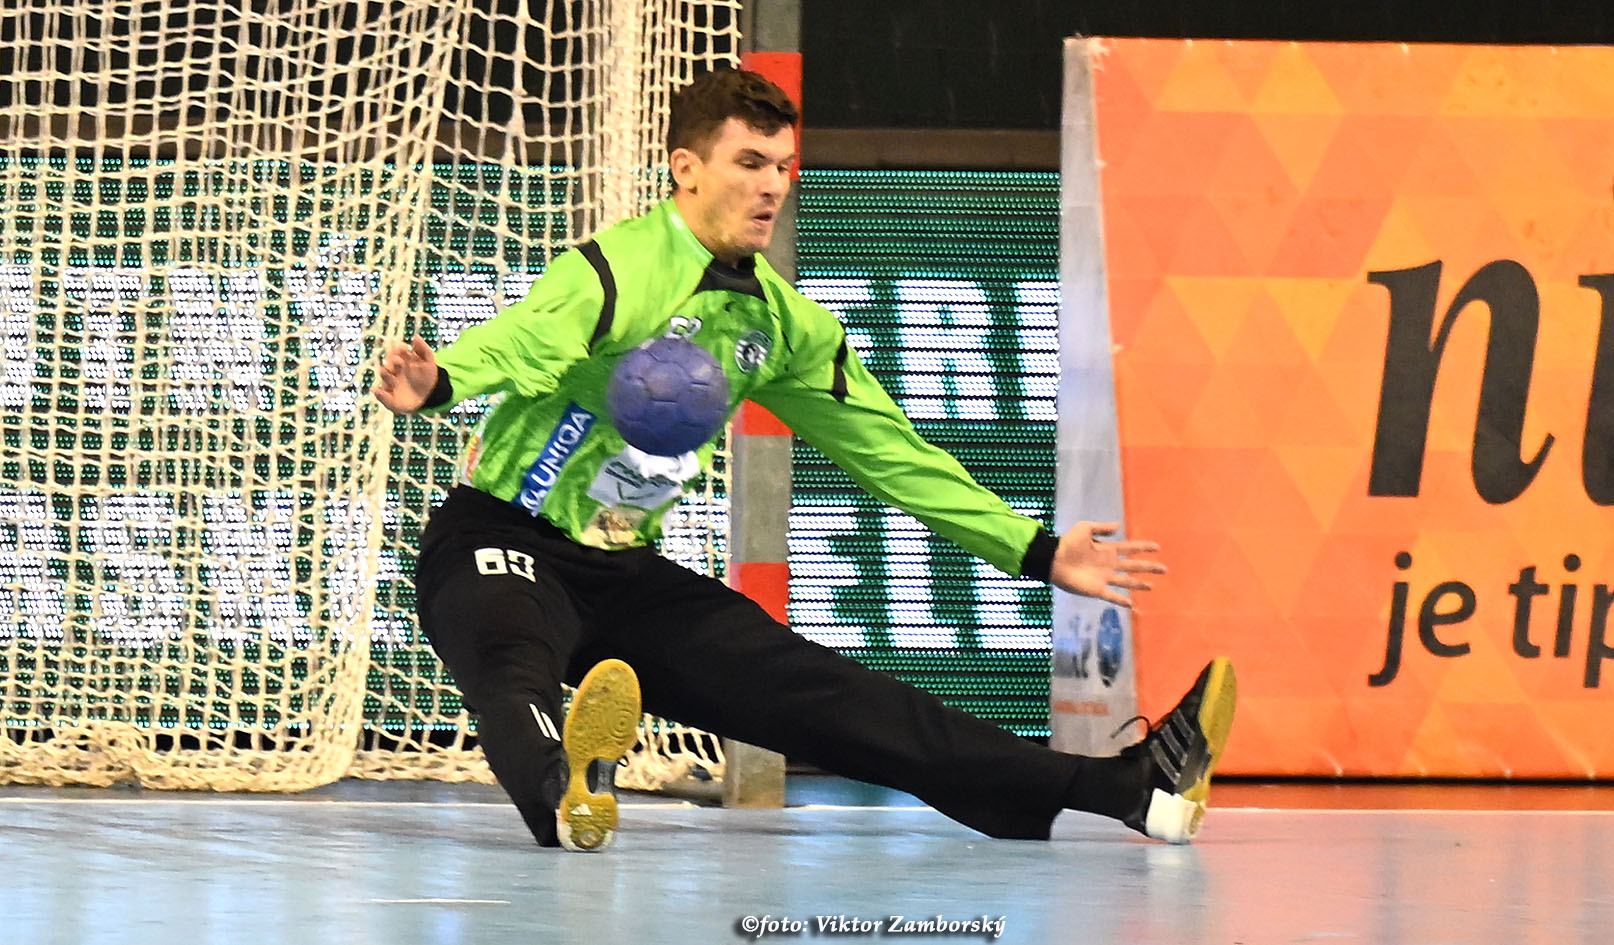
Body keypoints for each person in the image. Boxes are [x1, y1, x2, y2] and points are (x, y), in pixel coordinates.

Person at [372, 68, 1236, 852]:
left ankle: (1127, 788)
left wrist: (1038, 549)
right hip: (502, 539)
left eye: (784, 166)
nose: (772, 185)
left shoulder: (783, 325)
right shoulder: (615, 272)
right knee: (510, 665)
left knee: (837, 699)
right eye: (750, 162)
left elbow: (891, 454)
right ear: (686, 168)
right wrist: (442, 380)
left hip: (627, 575)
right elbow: (526, 342)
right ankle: (568, 790)